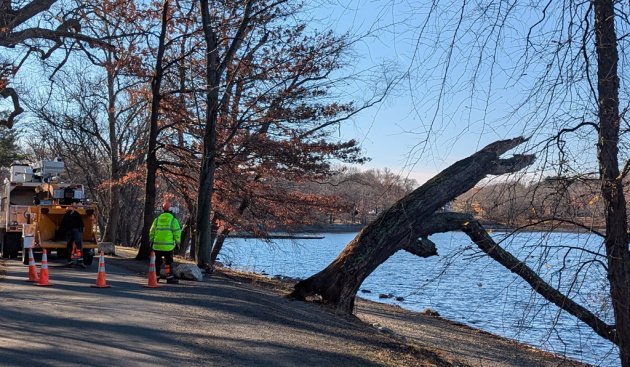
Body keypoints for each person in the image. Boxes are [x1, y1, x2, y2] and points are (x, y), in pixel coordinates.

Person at [149, 201, 181, 284]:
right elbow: (177, 233)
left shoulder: (157, 220)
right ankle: (169, 278)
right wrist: (178, 243)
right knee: (168, 262)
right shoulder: (173, 220)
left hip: (157, 245)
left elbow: (151, 231)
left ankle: (156, 277)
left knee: (157, 262)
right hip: (168, 246)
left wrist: (151, 241)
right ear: (171, 210)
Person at [60, 203, 85, 268]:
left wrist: (60, 234)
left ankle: (70, 261)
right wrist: (82, 229)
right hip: (76, 231)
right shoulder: (76, 214)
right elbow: (81, 222)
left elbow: (62, 225)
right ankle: (80, 261)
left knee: (69, 246)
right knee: (79, 245)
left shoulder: (66, 215)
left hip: (69, 231)